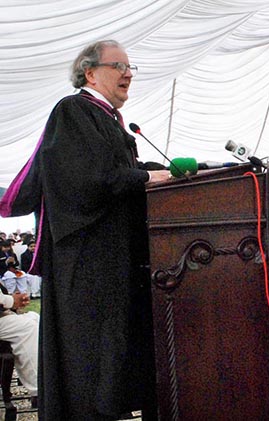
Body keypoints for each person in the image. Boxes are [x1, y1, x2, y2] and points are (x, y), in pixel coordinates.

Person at [0, 40, 171, 419]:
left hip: (113, 260)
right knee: (91, 359)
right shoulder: (73, 111)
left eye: (130, 67)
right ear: (90, 72)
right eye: (118, 66)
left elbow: (115, 172)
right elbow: (85, 180)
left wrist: (169, 173)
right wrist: (144, 176)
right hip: (88, 262)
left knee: (111, 357)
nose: (128, 73)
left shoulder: (107, 119)